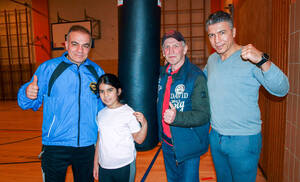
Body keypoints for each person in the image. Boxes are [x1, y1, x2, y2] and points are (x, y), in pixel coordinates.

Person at [204, 11, 289, 182]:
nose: (217, 40)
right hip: (216, 136)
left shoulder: (249, 56)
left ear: (233, 32)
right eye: (212, 35)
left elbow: (282, 89)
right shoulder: (212, 60)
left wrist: (262, 60)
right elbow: (200, 84)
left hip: (243, 139)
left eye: (222, 33)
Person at [17, 25, 105, 182]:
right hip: (55, 145)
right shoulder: (49, 68)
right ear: (66, 44)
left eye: (85, 45)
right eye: (75, 44)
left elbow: (104, 109)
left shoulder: (96, 71)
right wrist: (27, 93)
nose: (80, 50)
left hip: (87, 146)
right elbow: (25, 103)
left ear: (90, 47)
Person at [157, 30, 210, 182]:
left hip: (188, 146)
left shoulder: (196, 76)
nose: (171, 51)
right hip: (167, 144)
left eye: (176, 46)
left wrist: (177, 117)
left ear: (185, 49)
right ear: (163, 52)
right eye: (167, 47)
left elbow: (204, 114)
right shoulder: (161, 75)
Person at [93, 73, 148, 182]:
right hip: (104, 167)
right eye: (102, 91)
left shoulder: (128, 112)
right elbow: (99, 140)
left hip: (124, 166)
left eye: (110, 90)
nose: (106, 95)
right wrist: (96, 163)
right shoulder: (100, 114)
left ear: (118, 91)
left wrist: (145, 124)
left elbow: (139, 139)